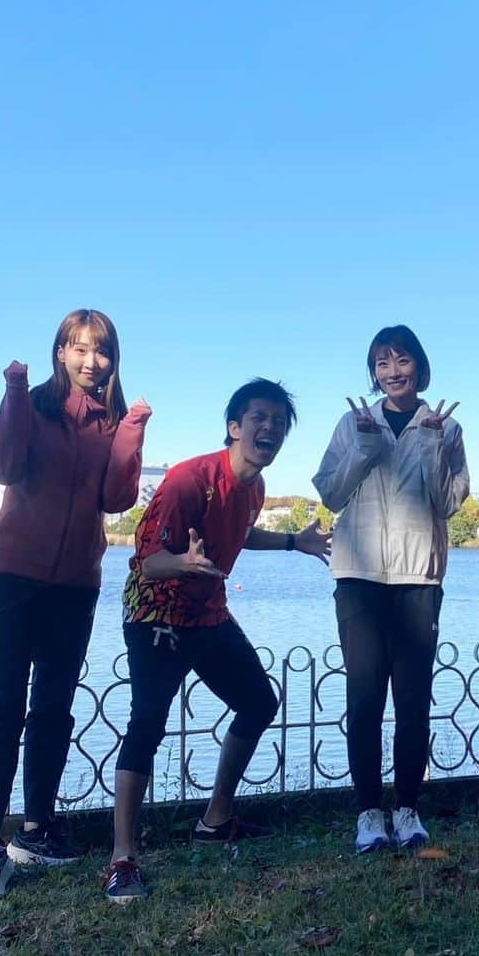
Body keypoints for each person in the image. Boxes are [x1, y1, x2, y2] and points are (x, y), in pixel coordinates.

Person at [105, 379, 330, 902]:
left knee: (258, 701)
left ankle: (216, 819)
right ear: (234, 427)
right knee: (147, 724)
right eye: (259, 417)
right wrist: (182, 563)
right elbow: (147, 561)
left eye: (278, 420)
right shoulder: (189, 479)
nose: (269, 427)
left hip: (209, 613)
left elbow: (240, 530)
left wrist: (295, 541)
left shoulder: (254, 486)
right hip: (156, 613)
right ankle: (122, 858)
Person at [0, 310, 150, 902]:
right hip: (13, 574)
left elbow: (118, 497)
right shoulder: (34, 405)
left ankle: (37, 829)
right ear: (60, 351)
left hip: (75, 583)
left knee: (53, 708)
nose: (92, 362)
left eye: (103, 352)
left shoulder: (111, 422)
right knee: (0, 707)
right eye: (80, 348)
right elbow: (4, 466)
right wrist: (13, 391)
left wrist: (133, 428)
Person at [314, 326, 469, 853]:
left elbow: (447, 503)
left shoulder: (444, 427)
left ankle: (407, 808)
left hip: (417, 576)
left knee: (413, 699)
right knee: (363, 699)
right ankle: (368, 813)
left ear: (419, 368)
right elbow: (331, 493)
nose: (392, 371)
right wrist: (362, 447)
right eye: (382, 363)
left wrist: (431, 445)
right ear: (373, 372)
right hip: (357, 577)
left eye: (402, 361)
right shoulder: (353, 423)